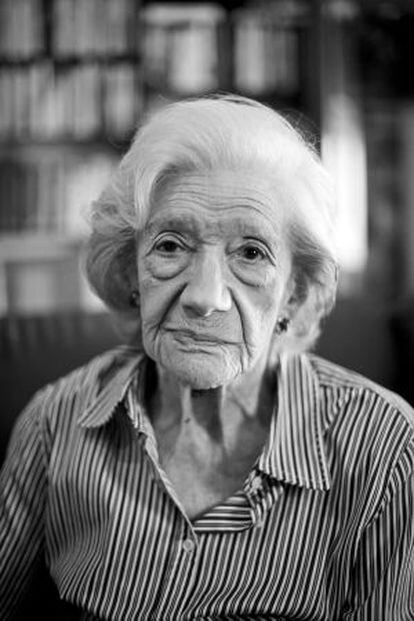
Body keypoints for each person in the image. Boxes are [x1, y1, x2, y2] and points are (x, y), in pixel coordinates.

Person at [0, 95, 413, 621]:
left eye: (251, 253)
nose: (205, 296)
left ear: (293, 294)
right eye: (171, 246)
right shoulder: (55, 423)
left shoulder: (386, 450)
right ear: (130, 273)